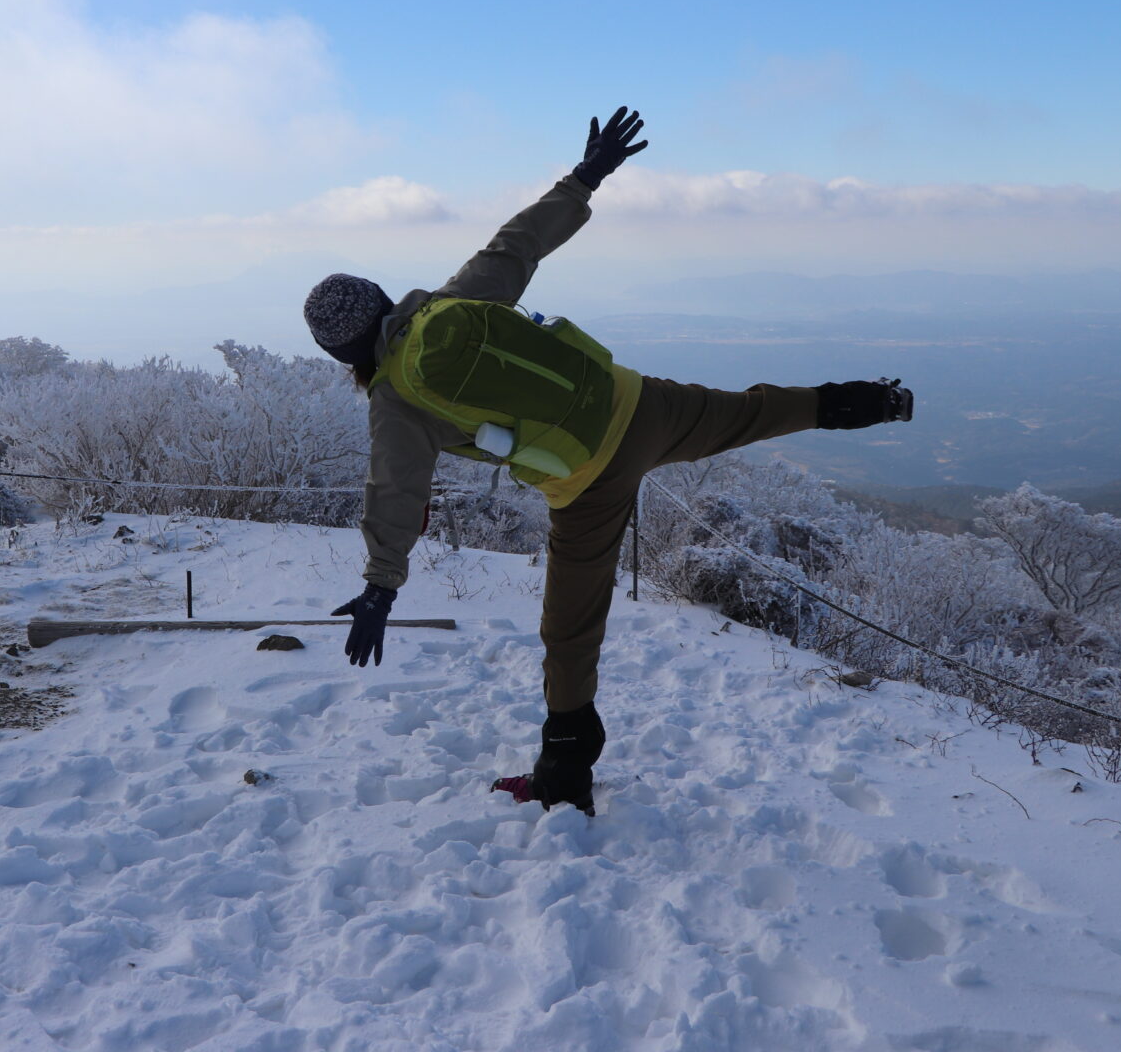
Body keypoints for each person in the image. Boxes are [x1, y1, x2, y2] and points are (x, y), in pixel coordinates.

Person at [301, 107, 913, 815]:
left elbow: (394, 492)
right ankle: (867, 400)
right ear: (383, 297)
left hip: (588, 479)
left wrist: (381, 589)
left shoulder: (395, 404)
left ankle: (565, 775)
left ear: (342, 355)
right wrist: (586, 175)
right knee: (751, 411)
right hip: (639, 404)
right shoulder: (452, 303)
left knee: (569, 633)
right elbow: (519, 243)